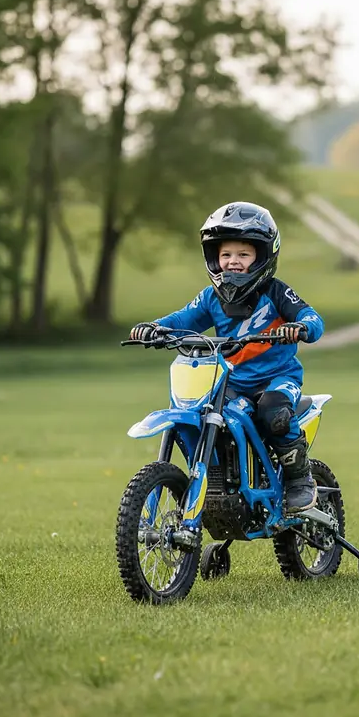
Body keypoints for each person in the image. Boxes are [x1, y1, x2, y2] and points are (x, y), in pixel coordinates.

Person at [130, 201, 324, 512]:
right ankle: (222, 484)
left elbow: (313, 319)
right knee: (205, 412)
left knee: (273, 412)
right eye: (226, 254)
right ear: (214, 258)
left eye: (243, 255)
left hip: (277, 379)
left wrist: (300, 327)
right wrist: (155, 328)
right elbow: (183, 320)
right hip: (229, 380)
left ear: (263, 256)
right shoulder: (211, 297)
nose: (233, 262)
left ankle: (299, 481)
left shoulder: (276, 292)